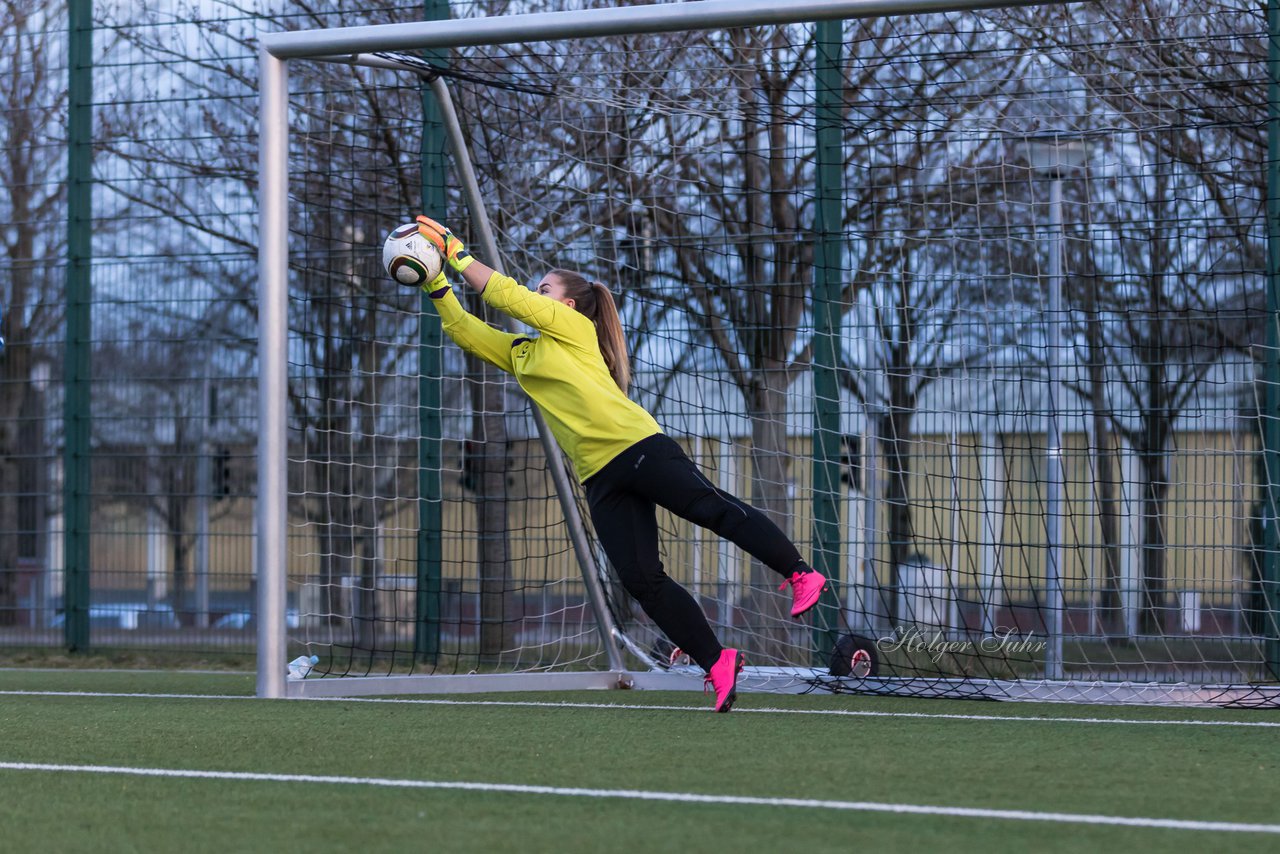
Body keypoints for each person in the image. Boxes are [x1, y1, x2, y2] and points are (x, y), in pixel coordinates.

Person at [411, 215, 827, 712]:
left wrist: (455, 251)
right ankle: (716, 659)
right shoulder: (524, 352)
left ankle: (800, 573)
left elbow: (503, 295)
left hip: (638, 447)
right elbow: (466, 331)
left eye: (542, 288)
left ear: (564, 304)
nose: (532, 292)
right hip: (598, 477)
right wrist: (434, 278)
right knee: (640, 578)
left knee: (712, 509)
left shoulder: (574, 326)